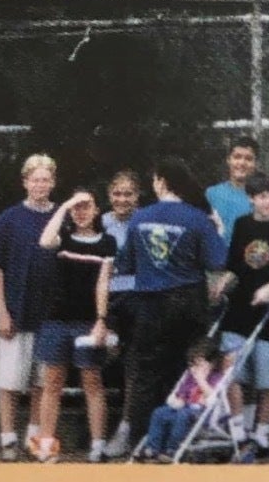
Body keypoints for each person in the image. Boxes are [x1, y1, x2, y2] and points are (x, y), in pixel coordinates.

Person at [115, 157, 227, 443]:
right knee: (185, 368)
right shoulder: (197, 218)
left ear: (162, 182)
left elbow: (125, 263)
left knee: (147, 371)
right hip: (188, 302)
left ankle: (143, 439)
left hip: (150, 303)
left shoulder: (140, 217)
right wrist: (218, 229)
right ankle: (179, 438)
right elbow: (217, 261)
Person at [29, 189, 117, 463]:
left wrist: (102, 321)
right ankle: (46, 445)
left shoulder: (108, 243)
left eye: (86, 206)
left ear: (96, 211)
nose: (81, 212)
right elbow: (44, 240)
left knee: (92, 382)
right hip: (56, 321)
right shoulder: (62, 238)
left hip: (88, 323)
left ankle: (98, 446)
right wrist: (66, 204)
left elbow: (103, 283)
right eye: (76, 208)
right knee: (52, 382)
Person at [215, 172, 269, 463]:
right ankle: (238, 434)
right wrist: (225, 281)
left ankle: (262, 435)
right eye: (262, 196)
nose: (268, 201)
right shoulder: (242, 224)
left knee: (267, 382)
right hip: (241, 310)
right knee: (231, 372)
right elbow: (236, 264)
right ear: (251, 199)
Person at [0, 153, 59, 461]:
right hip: (16, 310)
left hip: (50, 315)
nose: (40, 184)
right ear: (25, 182)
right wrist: (2, 311)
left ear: (53, 182)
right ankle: (7, 439)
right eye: (35, 179)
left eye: (46, 179)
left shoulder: (62, 218)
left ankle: (35, 436)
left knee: (42, 382)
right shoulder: (8, 218)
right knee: (9, 380)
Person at [100, 169, 141, 459]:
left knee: (134, 367)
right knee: (101, 358)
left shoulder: (145, 221)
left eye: (128, 194)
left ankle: (126, 429)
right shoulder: (101, 221)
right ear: (109, 195)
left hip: (137, 301)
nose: (122, 199)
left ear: (138, 197)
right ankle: (97, 433)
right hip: (106, 301)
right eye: (117, 193)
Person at [139, 336, 223, 463]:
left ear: (212, 363)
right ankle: (153, 448)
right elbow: (180, 394)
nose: (196, 369)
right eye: (193, 364)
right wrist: (179, 400)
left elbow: (212, 399)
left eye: (200, 364)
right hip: (183, 408)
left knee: (182, 416)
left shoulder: (216, 378)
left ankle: (172, 449)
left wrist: (201, 380)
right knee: (159, 412)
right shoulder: (190, 377)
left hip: (200, 415)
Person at [206, 136, 269, 247]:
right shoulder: (212, 194)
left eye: (248, 159)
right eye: (237, 157)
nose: (242, 163)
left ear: (256, 163)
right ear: (228, 160)